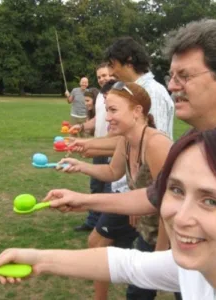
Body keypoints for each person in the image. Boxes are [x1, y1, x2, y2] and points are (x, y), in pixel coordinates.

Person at [0, 127, 216, 300]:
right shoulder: (207, 263)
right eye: (176, 190)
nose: (179, 217)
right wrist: (37, 259)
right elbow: (128, 264)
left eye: (211, 201)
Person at [50, 19, 216, 222]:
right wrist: (81, 200)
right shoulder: (193, 138)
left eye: (185, 76)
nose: (171, 86)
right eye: (172, 76)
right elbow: (157, 194)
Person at [58, 82, 173, 300]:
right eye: (107, 110)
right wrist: (80, 166)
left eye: (113, 110)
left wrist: (161, 253)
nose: (107, 117)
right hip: (147, 233)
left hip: (176, 240)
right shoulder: (126, 140)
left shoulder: (156, 144)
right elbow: (113, 171)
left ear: (137, 111)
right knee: (137, 293)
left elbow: (169, 203)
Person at [72, 65, 112, 233]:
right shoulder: (102, 98)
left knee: (110, 190)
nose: (102, 79)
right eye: (99, 77)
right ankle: (92, 222)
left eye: (105, 75)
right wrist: (81, 127)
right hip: (99, 147)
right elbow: (97, 120)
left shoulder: (117, 95)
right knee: (96, 186)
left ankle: (106, 225)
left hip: (112, 149)